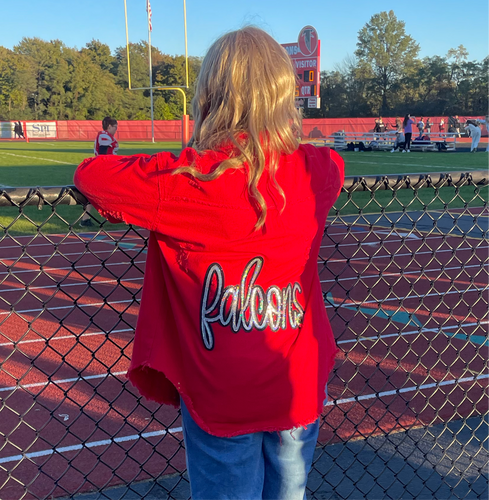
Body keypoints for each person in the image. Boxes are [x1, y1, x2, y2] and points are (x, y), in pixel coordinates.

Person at [74, 26, 345, 500]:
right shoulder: (319, 168)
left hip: (222, 392)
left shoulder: (185, 180)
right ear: (283, 93)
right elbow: (321, 170)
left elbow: (93, 176)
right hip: (296, 380)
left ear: (210, 95)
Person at [80, 117, 119, 227]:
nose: (116, 130)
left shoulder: (106, 135)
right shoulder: (105, 135)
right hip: (105, 169)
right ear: (109, 126)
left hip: (105, 168)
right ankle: (116, 214)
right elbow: (102, 154)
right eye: (115, 127)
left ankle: (86, 219)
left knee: (94, 193)